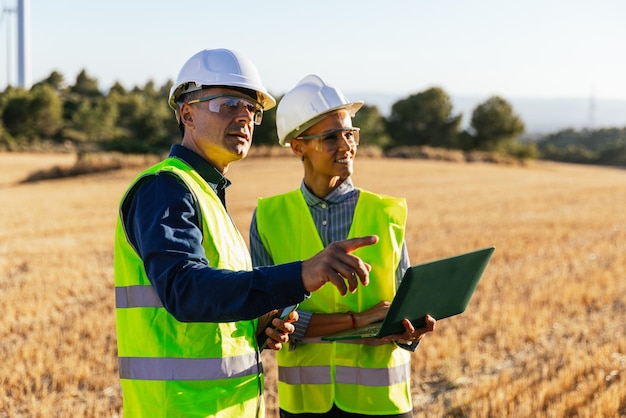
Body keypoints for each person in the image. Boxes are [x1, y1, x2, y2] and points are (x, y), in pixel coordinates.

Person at [114, 50, 378, 418]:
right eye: (227, 103)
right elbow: (185, 290)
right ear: (186, 114)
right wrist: (300, 274)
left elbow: (210, 309)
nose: (244, 116)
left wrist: (257, 327)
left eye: (252, 109)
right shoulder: (164, 189)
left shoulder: (205, 193)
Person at [250, 75, 437, 417]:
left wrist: (409, 330)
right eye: (330, 137)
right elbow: (269, 320)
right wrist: (359, 321)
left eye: (350, 134)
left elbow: (399, 311)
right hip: (306, 405)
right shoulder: (268, 217)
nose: (346, 145)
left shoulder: (386, 212)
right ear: (297, 146)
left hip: (381, 404)